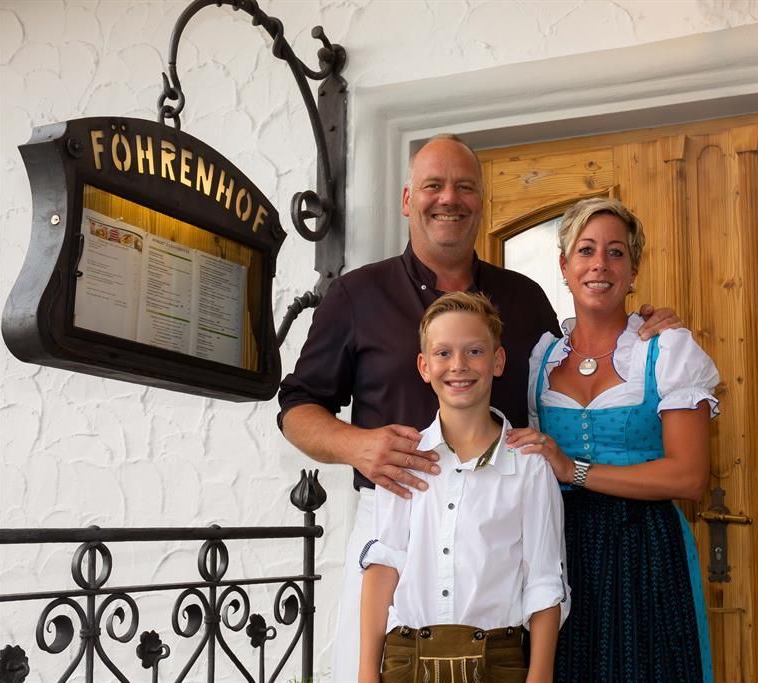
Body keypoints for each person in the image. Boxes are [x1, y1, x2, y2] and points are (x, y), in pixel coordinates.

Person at [277, 134, 679, 682]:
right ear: (407, 199)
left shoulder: (525, 299)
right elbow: (296, 407)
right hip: (396, 524)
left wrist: (639, 329)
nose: (449, 198)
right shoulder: (354, 295)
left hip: (503, 533)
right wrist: (357, 446)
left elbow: (579, 360)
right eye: (433, 186)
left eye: (465, 187)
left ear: (481, 202)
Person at [507, 197, 719, 682]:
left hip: (645, 549)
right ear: (564, 266)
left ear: (633, 269)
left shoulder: (667, 350)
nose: (599, 264)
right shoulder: (541, 360)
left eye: (616, 252)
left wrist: (573, 470)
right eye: (586, 250)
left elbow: (689, 477)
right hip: (559, 549)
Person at [358, 291, 568, 683]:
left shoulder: (529, 466)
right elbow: (383, 567)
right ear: (424, 366)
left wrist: (540, 676)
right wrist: (366, 673)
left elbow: (544, 582)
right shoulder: (403, 458)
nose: (458, 365)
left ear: (498, 361)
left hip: (497, 662)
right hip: (406, 660)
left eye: (474, 351)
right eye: (443, 353)